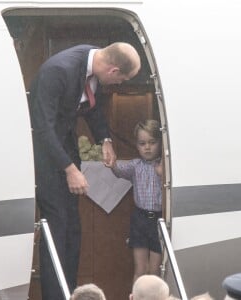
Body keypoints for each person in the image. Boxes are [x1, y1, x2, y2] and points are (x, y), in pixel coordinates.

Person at [28, 42, 141, 300]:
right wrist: (69, 169)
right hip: (47, 156)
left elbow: (91, 108)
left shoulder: (94, 62)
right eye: (122, 79)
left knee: (72, 229)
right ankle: (55, 296)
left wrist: (105, 140)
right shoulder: (58, 71)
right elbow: (42, 128)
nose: (119, 85)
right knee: (56, 228)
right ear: (112, 71)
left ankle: (71, 292)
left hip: (65, 149)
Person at [107, 119, 163, 282]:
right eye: (142, 143)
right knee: (140, 269)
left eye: (152, 142)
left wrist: (162, 172)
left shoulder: (164, 166)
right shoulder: (135, 165)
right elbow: (119, 170)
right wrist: (112, 164)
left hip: (159, 219)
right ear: (136, 145)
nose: (147, 147)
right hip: (140, 219)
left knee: (154, 271)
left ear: (160, 143)